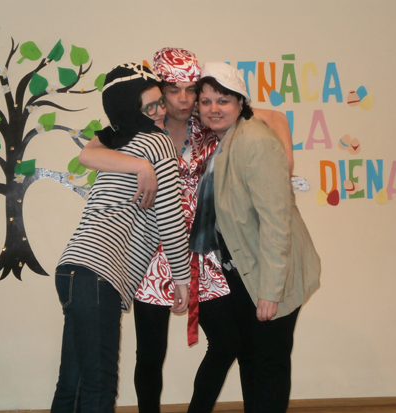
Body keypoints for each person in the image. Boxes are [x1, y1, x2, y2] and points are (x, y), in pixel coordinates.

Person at [79, 47, 295, 413]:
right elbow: (88, 154)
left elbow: (275, 117)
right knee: (150, 354)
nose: (183, 98)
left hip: (202, 250)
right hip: (151, 251)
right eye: (173, 89)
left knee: (227, 342)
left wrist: (287, 158)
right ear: (160, 90)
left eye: (190, 89)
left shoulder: (205, 121)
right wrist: (140, 167)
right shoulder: (141, 126)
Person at [50, 62, 191, 413]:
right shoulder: (158, 143)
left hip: (73, 270)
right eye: (150, 107)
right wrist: (182, 279)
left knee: (73, 382)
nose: (160, 112)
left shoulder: (117, 141)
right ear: (130, 110)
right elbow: (170, 217)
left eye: (160, 102)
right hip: (99, 274)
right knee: (99, 387)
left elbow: (87, 153)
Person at [189, 62, 321, 413]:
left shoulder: (256, 142)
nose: (214, 109)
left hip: (271, 272)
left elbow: (277, 222)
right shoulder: (227, 140)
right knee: (252, 357)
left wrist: (270, 290)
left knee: (267, 366)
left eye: (223, 100)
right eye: (206, 101)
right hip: (245, 271)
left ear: (240, 102)